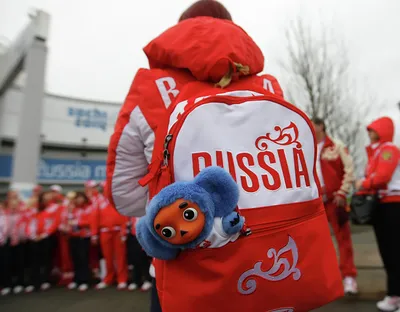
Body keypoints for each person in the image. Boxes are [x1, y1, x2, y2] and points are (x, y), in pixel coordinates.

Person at [107, 1, 345, 312]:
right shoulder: (269, 87)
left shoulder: (149, 87)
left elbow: (123, 195)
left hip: (193, 279)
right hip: (284, 269)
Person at [355, 116, 400, 312]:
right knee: (389, 253)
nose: (369, 133)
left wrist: (363, 184)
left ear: (382, 130)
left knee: (394, 253)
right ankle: (394, 294)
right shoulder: (377, 152)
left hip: (393, 206)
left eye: (372, 130)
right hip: (382, 206)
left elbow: (382, 177)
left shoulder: (389, 149)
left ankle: (396, 295)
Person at [312, 117, 358, 295]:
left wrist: (342, 192)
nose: (311, 127)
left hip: (334, 201)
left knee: (343, 239)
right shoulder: (306, 147)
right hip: (315, 203)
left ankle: (349, 277)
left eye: (313, 123)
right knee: (317, 242)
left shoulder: (336, 146)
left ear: (321, 126)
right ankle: (323, 278)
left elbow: (349, 169)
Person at [92, 182, 129, 290]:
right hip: (104, 231)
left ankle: (122, 279)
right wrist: (94, 234)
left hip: (117, 231)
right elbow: (95, 218)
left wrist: (123, 231)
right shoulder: (98, 201)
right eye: (104, 188)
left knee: (120, 256)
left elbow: (124, 215)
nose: (106, 189)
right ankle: (108, 278)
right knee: (107, 256)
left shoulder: (118, 200)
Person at [25, 191, 61, 292]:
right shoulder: (34, 209)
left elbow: (55, 222)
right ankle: (33, 282)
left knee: (46, 259)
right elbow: (30, 222)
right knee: (33, 260)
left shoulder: (54, 207)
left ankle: (45, 280)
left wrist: (44, 234)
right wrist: (32, 235)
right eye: (44, 198)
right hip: (34, 238)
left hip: (47, 237)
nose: (46, 199)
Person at [66, 192, 93, 292]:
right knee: (75, 258)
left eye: (81, 198)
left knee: (83, 259)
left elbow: (90, 221)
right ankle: (76, 279)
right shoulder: (73, 209)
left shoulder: (88, 208)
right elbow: (68, 220)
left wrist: (77, 223)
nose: (79, 200)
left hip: (84, 237)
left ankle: (84, 281)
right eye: (77, 198)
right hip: (73, 236)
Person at [127, 217, 152, 292]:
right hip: (134, 236)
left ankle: (147, 280)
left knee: (143, 258)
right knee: (135, 258)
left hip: (144, 236)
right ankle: (136, 280)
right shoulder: (132, 213)